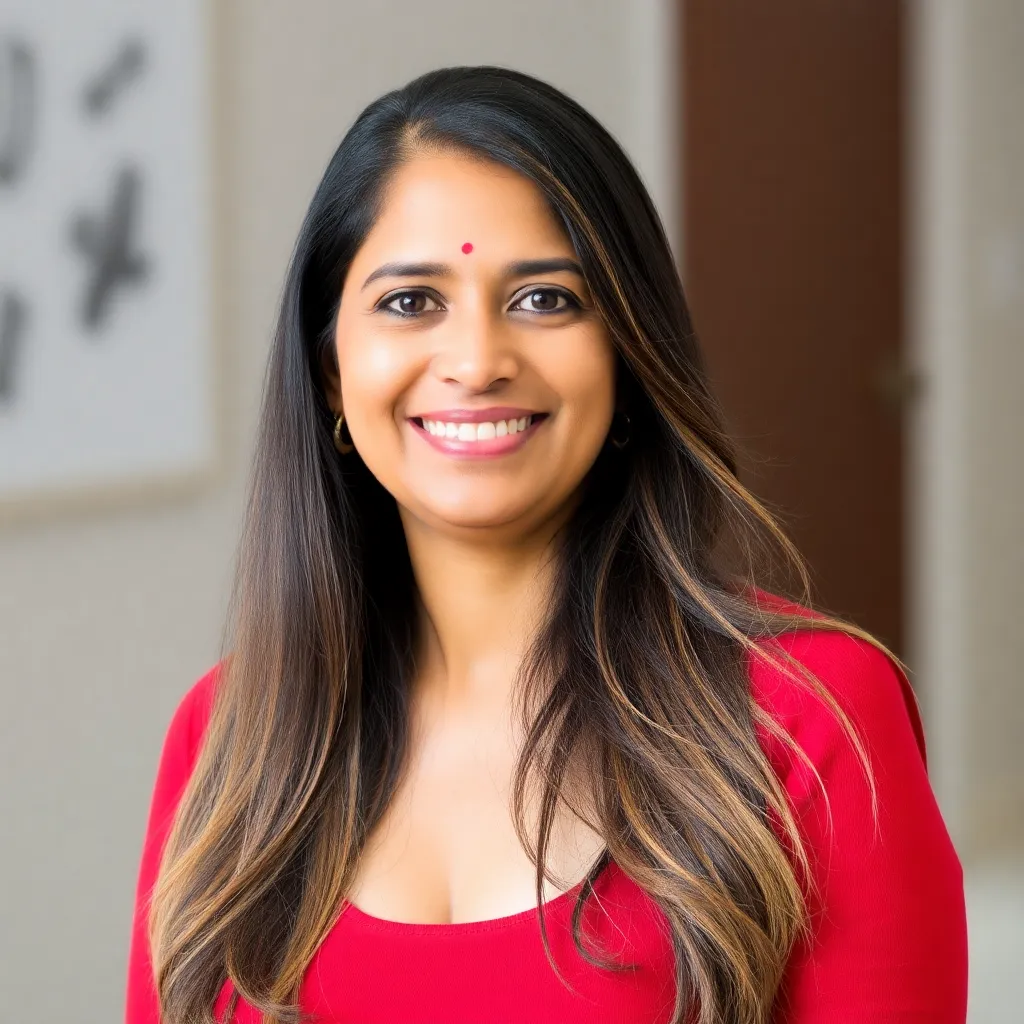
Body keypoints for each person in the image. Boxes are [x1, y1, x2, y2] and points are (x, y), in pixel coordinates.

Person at [125, 65, 967, 1024]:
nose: (478, 361)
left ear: (627, 351)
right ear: (330, 372)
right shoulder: (226, 738)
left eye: (543, 299)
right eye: (411, 302)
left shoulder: (811, 720)